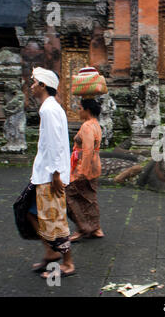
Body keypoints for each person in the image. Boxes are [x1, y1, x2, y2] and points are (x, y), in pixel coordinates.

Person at [27, 67, 75, 278]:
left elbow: (56, 142)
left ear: (43, 85)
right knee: (26, 211)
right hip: (44, 172)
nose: (31, 86)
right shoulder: (49, 107)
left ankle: (68, 263)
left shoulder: (49, 109)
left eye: (34, 82)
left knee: (54, 220)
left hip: (50, 175)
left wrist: (56, 174)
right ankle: (50, 252)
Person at [67, 98, 104, 242]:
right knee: (90, 198)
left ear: (87, 110)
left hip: (85, 166)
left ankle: (82, 228)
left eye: (80, 108)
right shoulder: (96, 125)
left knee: (69, 196)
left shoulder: (87, 126)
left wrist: (81, 171)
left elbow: (87, 150)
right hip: (94, 165)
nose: (79, 111)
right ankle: (96, 228)